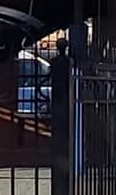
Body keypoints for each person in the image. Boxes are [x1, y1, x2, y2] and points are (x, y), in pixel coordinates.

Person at [48, 38, 71, 194]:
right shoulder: (67, 62)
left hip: (59, 102)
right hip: (61, 103)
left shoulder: (56, 62)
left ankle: (61, 187)